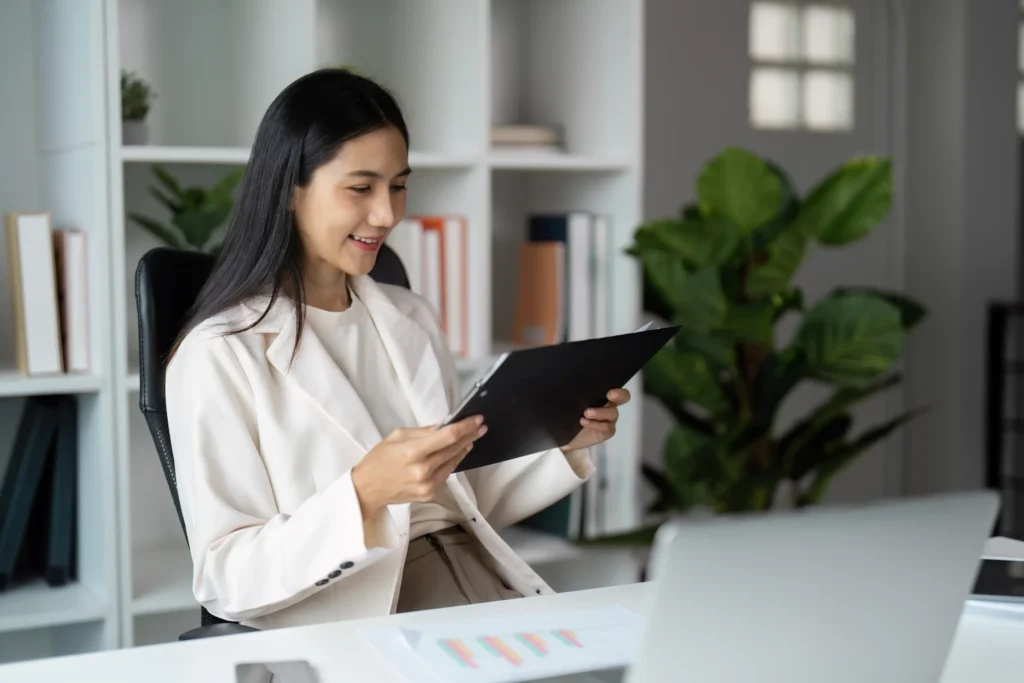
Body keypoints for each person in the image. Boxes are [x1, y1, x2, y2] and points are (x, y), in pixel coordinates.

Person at [164, 68, 630, 631]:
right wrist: (362, 496)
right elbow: (225, 578)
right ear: (290, 189)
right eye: (361, 188)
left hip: (478, 582)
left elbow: (461, 498)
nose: (386, 214)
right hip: (363, 611)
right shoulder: (220, 354)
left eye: (399, 185)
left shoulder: (409, 316)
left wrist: (561, 438)